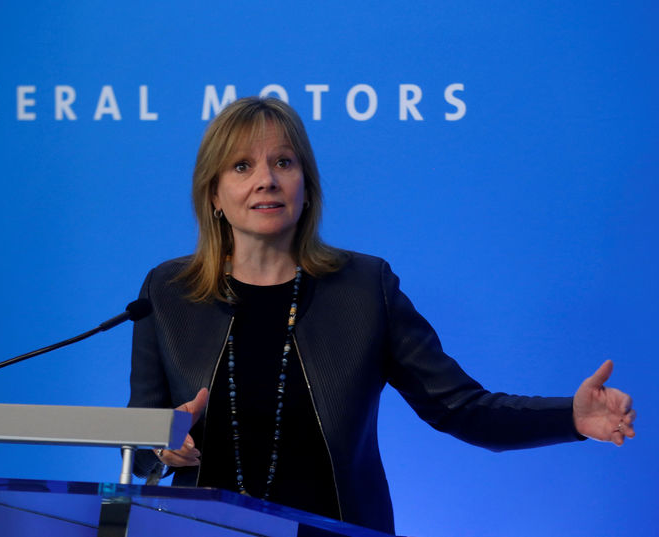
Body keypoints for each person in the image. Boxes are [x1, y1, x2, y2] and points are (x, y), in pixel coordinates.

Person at [127, 97, 636, 534]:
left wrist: (570, 415)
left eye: (283, 162)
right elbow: (139, 435)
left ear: (306, 187)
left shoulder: (364, 288)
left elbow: (459, 406)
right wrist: (162, 446)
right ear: (214, 194)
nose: (266, 180)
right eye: (242, 167)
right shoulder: (169, 292)